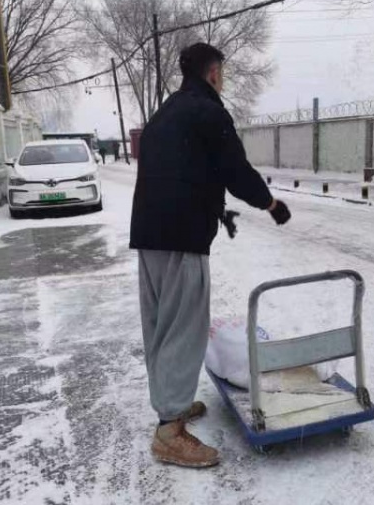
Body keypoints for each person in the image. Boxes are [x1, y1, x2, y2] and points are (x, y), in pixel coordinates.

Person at [130, 43, 291, 468]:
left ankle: (172, 403)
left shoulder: (165, 112)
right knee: (185, 329)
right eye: (222, 72)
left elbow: (179, 170)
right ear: (214, 72)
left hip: (149, 233)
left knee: (161, 326)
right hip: (182, 235)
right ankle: (169, 432)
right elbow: (235, 172)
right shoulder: (208, 112)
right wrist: (271, 203)